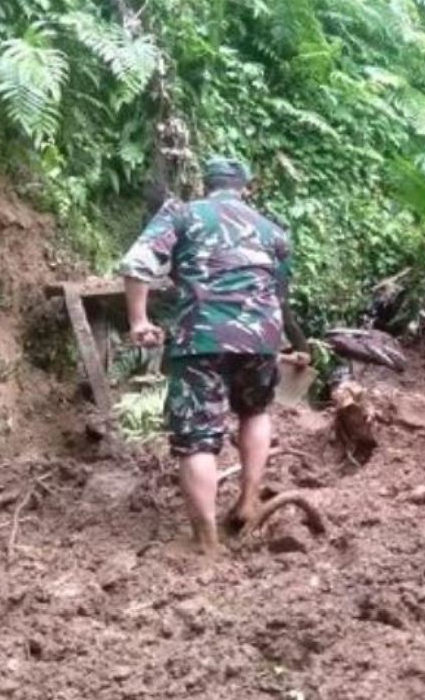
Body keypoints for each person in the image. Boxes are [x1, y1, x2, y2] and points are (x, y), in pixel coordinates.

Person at [120, 157, 307, 553]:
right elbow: (279, 294)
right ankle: (248, 501)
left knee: (197, 439)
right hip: (260, 339)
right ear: (245, 188)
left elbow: (138, 263)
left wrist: (139, 320)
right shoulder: (273, 231)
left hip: (200, 338)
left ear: (206, 185)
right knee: (255, 412)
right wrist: (289, 345)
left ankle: (206, 542)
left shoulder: (183, 214)